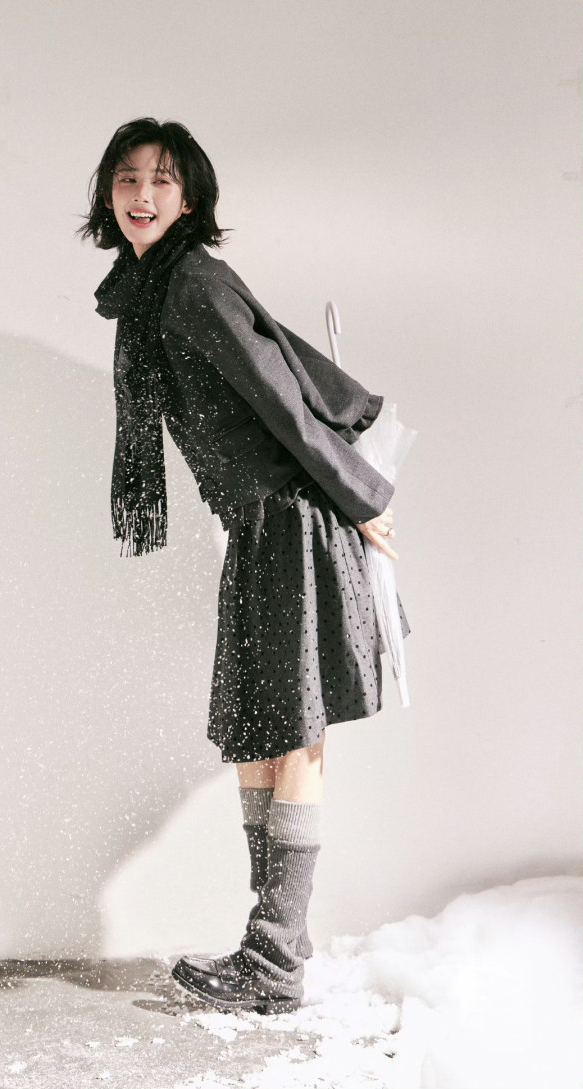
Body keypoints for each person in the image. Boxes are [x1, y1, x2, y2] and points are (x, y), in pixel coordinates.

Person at [79, 117, 407, 1015]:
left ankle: (274, 961)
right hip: (257, 528)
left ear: (190, 199)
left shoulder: (192, 285)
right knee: (258, 730)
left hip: (293, 519)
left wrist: (363, 498)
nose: (142, 194)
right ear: (108, 194)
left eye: (162, 180)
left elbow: (284, 400)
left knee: (290, 731)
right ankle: (273, 943)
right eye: (127, 178)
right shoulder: (150, 294)